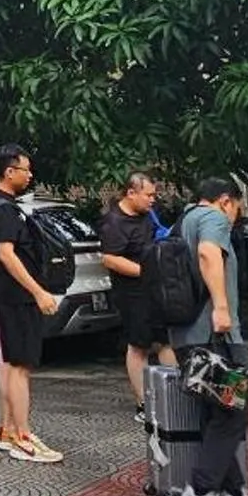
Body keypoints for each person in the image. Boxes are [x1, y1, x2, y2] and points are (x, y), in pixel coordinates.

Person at [172, 177, 248, 496]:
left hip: (187, 336)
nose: (235, 217)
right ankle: (202, 493)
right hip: (215, 334)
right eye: (238, 208)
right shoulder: (213, 219)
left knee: (217, 414)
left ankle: (233, 491)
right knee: (235, 414)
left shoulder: (182, 221)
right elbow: (209, 253)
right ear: (225, 201)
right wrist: (222, 308)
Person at [0, 143, 63, 463]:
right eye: (26, 170)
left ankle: (7, 430)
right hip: (17, 297)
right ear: (9, 172)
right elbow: (6, 254)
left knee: (13, 365)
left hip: (12, 296)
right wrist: (38, 292)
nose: (30, 176)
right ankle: (22, 436)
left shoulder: (0, 204)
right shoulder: (2, 208)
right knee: (19, 367)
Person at [100, 172, 173, 413]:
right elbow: (110, 259)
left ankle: (175, 396)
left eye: (154, 195)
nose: (153, 200)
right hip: (132, 294)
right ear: (131, 193)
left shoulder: (147, 216)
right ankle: (144, 403)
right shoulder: (114, 222)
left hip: (155, 290)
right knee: (138, 344)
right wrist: (145, 272)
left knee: (165, 340)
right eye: (148, 195)